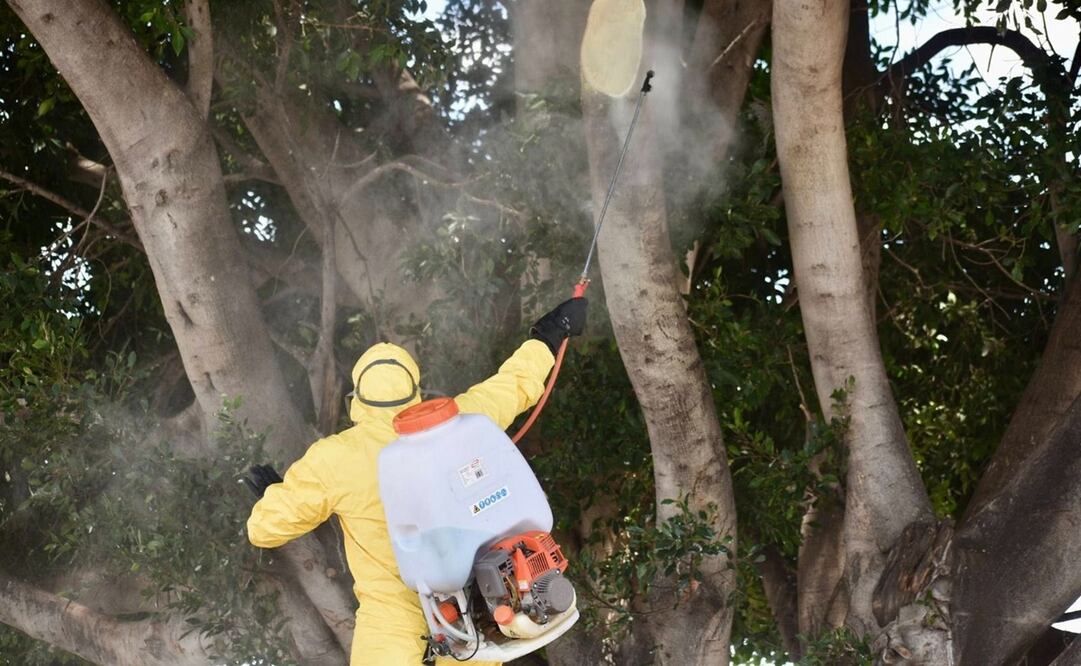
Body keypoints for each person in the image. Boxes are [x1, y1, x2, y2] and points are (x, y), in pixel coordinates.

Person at [244, 297, 587, 666]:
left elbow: (264, 530)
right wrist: (552, 331)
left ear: (355, 399)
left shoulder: (335, 458)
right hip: (467, 622)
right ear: (416, 388)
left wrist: (276, 496)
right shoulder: (461, 422)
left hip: (390, 628)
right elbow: (516, 384)